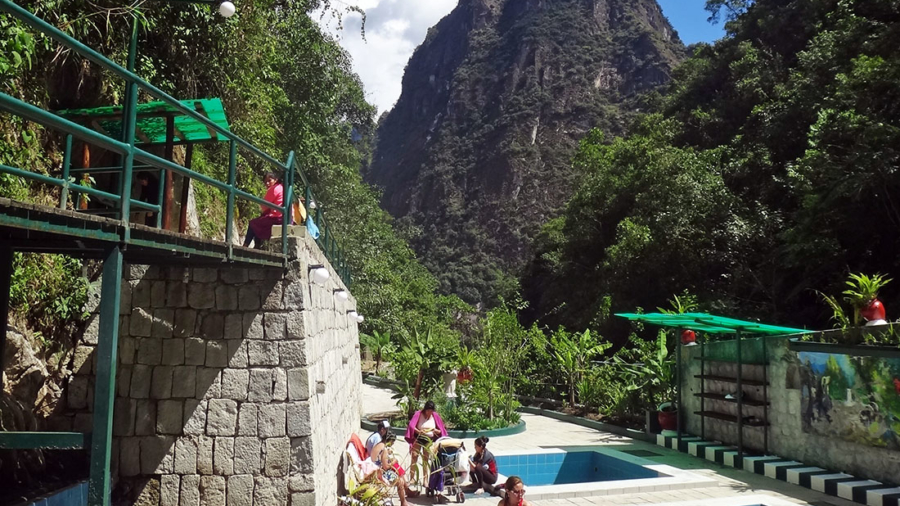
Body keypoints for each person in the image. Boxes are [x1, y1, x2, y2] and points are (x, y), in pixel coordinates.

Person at [370, 432, 413, 506]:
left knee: (397, 470)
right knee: (400, 481)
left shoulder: (378, 445)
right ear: (389, 441)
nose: (392, 444)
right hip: (379, 473)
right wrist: (393, 462)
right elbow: (386, 467)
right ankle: (403, 502)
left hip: (373, 470)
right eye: (393, 442)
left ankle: (405, 498)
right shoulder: (384, 449)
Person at [243, 172, 284, 249]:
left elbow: (264, 206)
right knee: (260, 221)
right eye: (265, 182)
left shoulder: (274, 189)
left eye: (269, 180)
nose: (267, 183)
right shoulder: (282, 188)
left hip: (278, 218)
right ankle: (257, 246)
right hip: (285, 217)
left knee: (253, 224)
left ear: (276, 180)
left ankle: (245, 246)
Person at [404, 400, 448, 471]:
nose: (429, 413)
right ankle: (412, 478)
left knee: (426, 458)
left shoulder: (435, 415)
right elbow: (411, 425)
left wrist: (437, 431)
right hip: (418, 438)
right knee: (414, 456)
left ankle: (425, 479)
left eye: (431, 411)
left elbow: (441, 429)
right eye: (428, 411)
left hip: (428, 439)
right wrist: (418, 431)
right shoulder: (418, 414)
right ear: (425, 409)